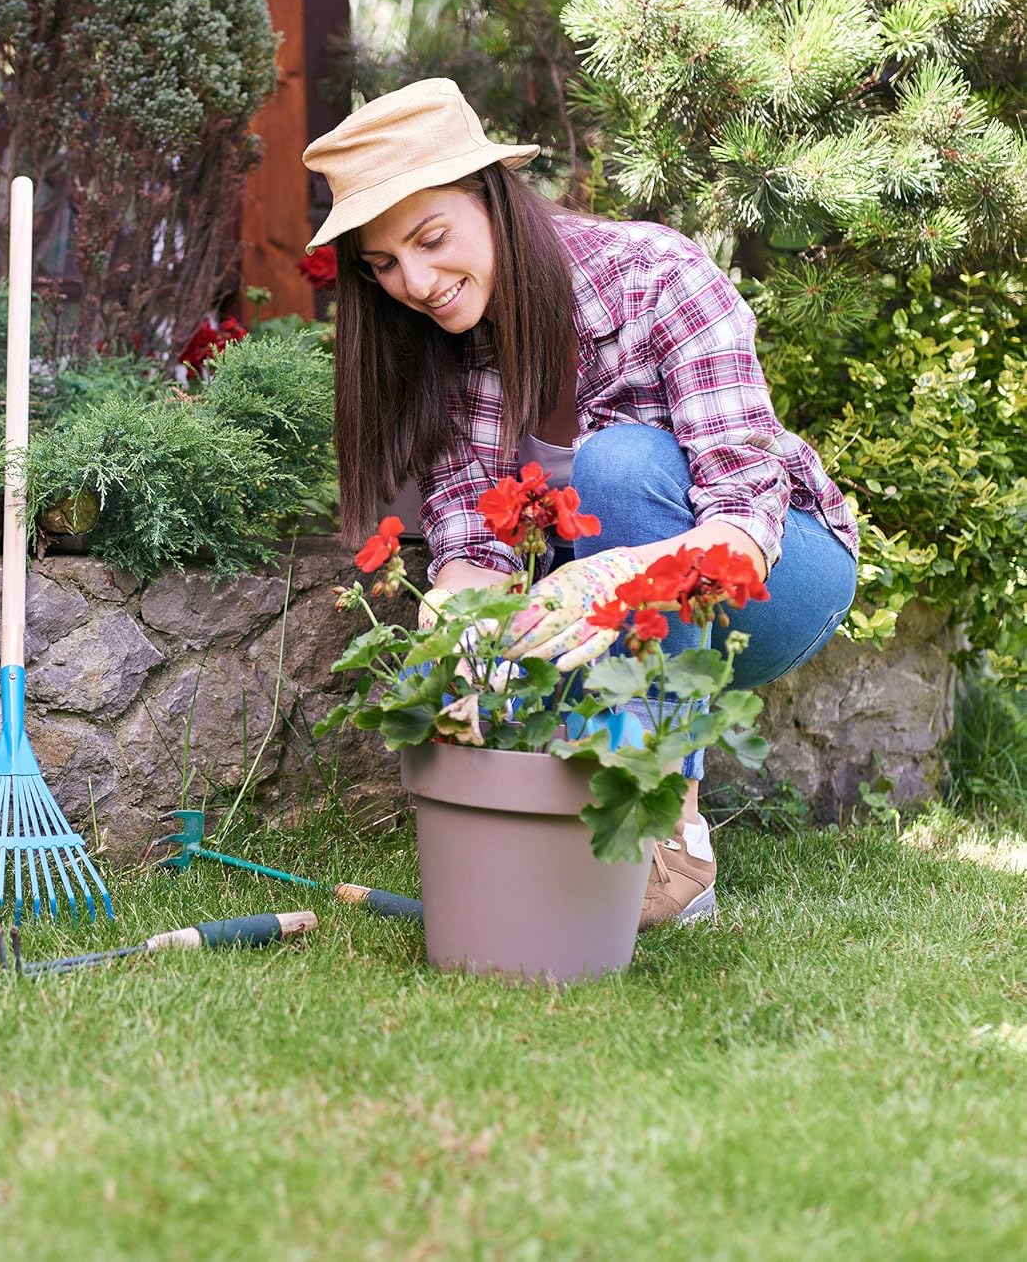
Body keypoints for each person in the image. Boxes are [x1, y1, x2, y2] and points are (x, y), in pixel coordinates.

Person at [302, 78, 858, 930]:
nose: (413, 281)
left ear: (494, 197)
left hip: (779, 576)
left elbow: (747, 522)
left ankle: (672, 834)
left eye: (430, 238)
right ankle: (581, 821)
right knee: (516, 608)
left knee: (618, 465)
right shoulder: (445, 343)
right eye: (383, 265)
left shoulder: (655, 277)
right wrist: (460, 627)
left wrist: (617, 577)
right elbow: (469, 536)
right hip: (608, 611)